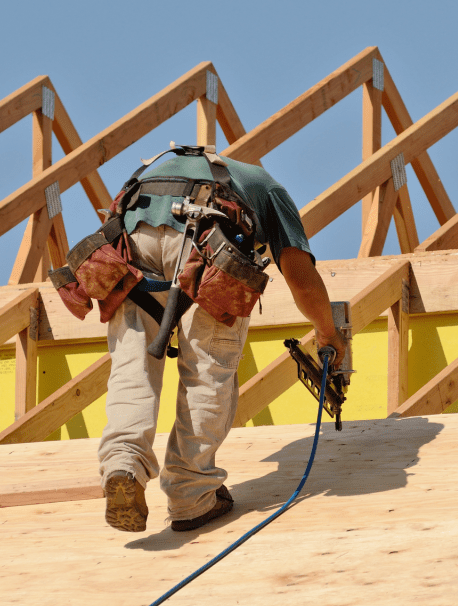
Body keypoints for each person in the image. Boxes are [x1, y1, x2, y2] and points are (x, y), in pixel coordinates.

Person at [98, 149, 347, 533]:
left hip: (132, 238)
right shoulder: (267, 187)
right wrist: (327, 332)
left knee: (132, 366)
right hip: (209, 242)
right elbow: (301, 279)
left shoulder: (164, 165)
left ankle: (123, 464)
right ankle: (192, 495)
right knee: (207, 368)